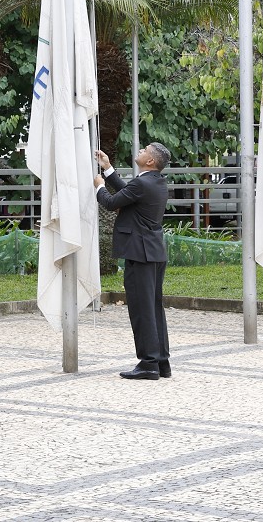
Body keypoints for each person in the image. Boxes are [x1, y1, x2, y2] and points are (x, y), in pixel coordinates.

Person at [94, 143, 172, 380]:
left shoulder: (143, 183)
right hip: (153, 252)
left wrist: (99, 187)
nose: (140, 150)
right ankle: (160, 362)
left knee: (142, 310)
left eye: (145, 150)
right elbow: (127, 193)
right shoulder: (154, 182)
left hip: (140, 253)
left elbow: (111, 202)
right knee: (154, 309)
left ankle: (148, 364)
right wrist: (108, 169)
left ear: (150, 161)